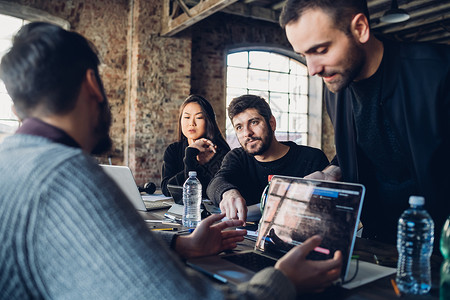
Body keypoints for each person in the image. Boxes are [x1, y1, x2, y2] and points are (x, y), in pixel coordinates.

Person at [0, 22, 343, 299]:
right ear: (93, 84)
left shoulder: (11, 161)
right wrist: (283, 280)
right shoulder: (66, 176)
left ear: (19, 107)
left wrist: (179, 243)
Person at [280, 0, 450, 245]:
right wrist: (332, 172)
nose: (312, 69)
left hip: (437, 248)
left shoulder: (439, 73)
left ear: (360, 28)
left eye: (321, 49)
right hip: (377, 241)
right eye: (303, 55)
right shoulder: (335, 88)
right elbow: (372, 149)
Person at [207, 94, 329, 222]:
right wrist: (227, 193)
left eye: (254, 122)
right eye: (239, 127)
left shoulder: (311, 158)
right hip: (245, 239)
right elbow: (216, 182)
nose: (247, 133)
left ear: (272, 123)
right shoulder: (237, 157)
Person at [161, 95, 230, 201]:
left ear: (208, 121)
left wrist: (190, 156)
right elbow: (166, 189)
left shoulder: (219, 152)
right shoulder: (173, 150)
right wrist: (192, 158)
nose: (191, 123)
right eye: (187, 117)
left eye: (198, 117)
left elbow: (199, 192)